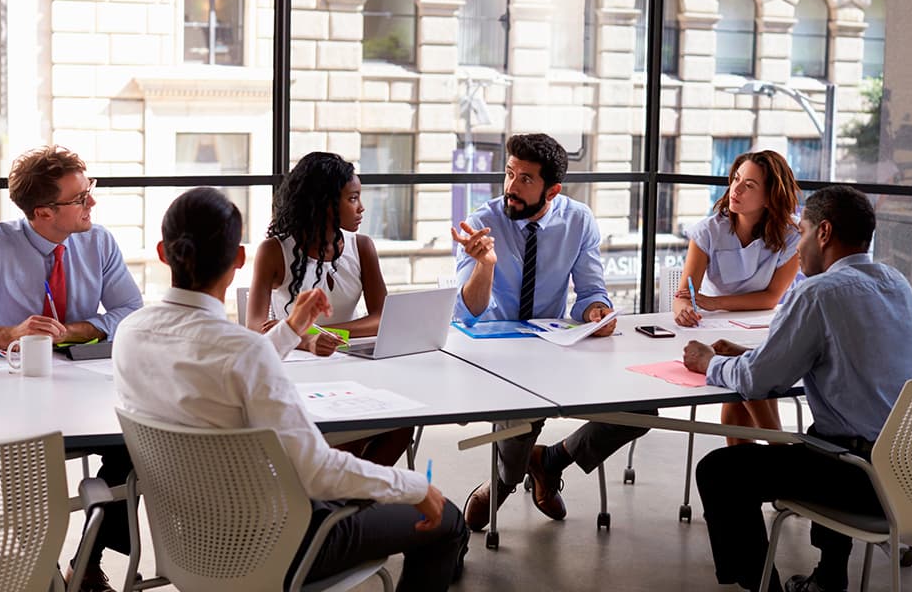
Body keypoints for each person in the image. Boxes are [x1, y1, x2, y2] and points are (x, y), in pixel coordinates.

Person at [113, 187, 469, 591]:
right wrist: (415, 486)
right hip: (276, 545)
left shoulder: (131, 333)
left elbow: (227, 362)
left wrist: (290, 330)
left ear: (163, 252)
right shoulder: (242, 351)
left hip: (188, 542)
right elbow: (317, 473)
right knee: (448, 521)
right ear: (239, 260)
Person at [683, 185, 912, 592]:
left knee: (721, 471)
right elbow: (847, 356)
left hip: (864, 478)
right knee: (824, 439)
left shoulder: (818, 291)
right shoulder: (895, 282)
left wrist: (708, 362)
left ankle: (763, 587)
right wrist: (759, 352)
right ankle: (829, 577)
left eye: (802, 232)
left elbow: (757, 381)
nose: (797, 246)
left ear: (825, 233)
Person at [0, 145, 144, 592]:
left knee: (133, 444)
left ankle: (86, 564)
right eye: (80, 198)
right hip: (16, 397)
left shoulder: (98, 241)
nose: (92, 204)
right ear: (43, 212)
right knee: (28, 473)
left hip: (86, 386)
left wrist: (73, 331)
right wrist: (9, 334)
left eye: (90, 191)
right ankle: (38, 568)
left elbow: (131, 311)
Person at [452, 133, 651, 531]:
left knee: (641, 409)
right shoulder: (480, 223)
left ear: (553, 189)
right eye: (509, 174)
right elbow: (467, 311)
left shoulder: (578, 220)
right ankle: (503, 484)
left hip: (552, 344)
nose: (511, 186)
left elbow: (591, 293)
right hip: (494, 350)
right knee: (520, 412)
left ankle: (552, 459)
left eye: (525, 179)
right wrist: (485, 265)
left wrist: (598, 311)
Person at [247, 151, 413, 467]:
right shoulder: (274, 251)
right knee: (349, 431)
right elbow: (255, 328)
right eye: (352, 198)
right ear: (325, 203)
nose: (362, 207)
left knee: (403, 425)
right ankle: (341, 501)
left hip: (351, 367)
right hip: (297, 371)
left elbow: (383, 318)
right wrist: (306, 339)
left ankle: (347, 503)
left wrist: (325, 333)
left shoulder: (361, 246)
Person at [673, 150, 800, 445]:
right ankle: (778, 452)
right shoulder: (709, 231)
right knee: (743, 387)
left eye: (749, 185)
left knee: (744, 382)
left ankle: (773, 456)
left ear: (770, 197)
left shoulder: (792, 234)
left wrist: (713, 303)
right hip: (718, 331)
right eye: (736, 180)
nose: (736, 190)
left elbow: (770, 298)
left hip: (765, 328)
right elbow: (684, 295)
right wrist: (683, 309)